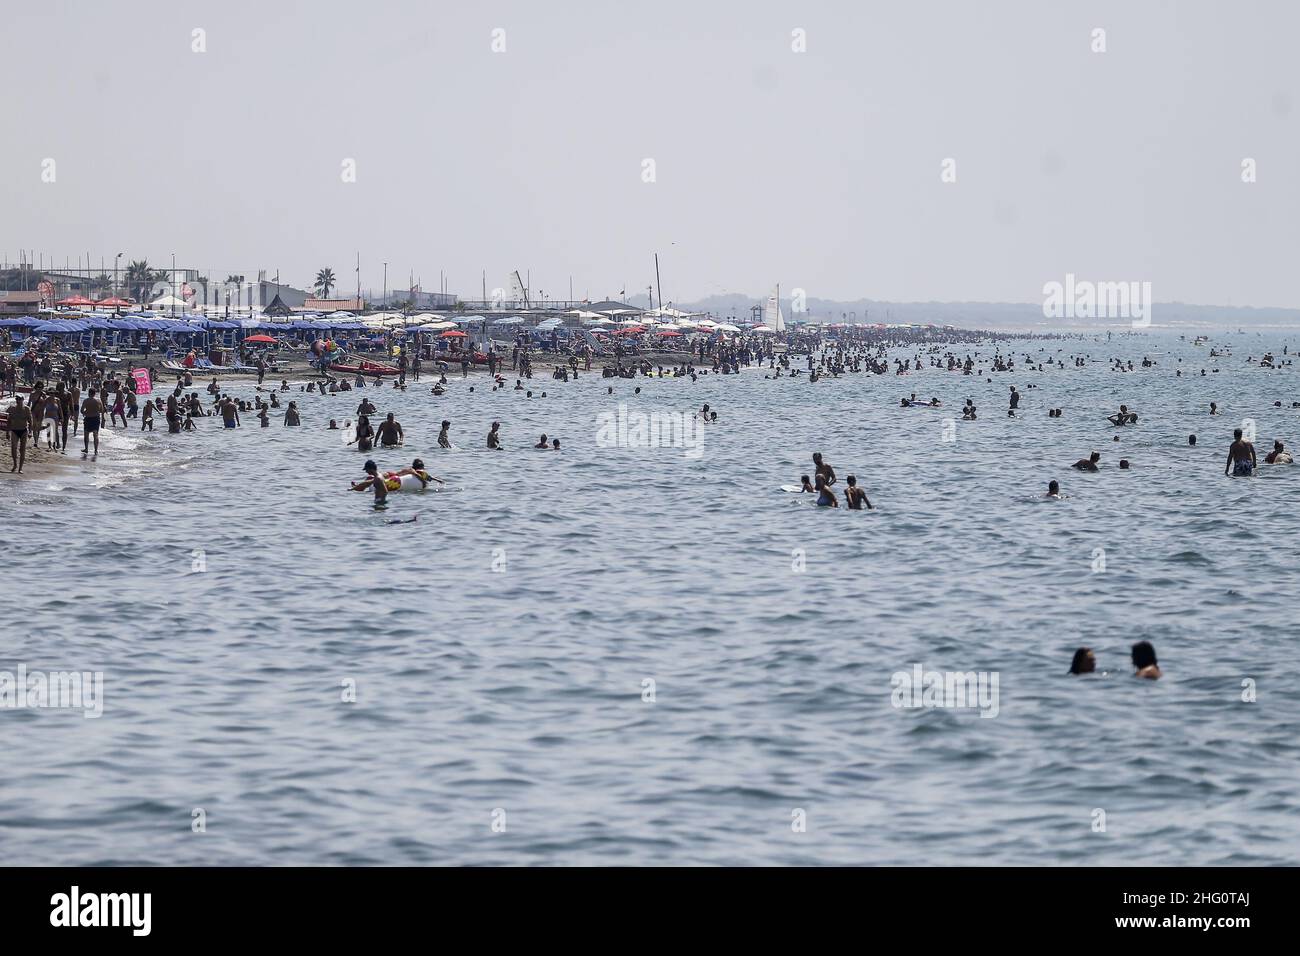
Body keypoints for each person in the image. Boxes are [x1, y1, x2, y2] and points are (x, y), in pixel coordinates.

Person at [6, 395, 31, 473]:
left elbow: (30, 421)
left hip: (23, 430)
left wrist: (30, 432)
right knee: (13, 448)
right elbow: (9, 421)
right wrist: (7, 432)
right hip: (14, 430)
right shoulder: (12, 409)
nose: (18, 400)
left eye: (19, 399)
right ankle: (15, 464)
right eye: (17, 399)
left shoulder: (27, 409)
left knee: (22, 449)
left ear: (23, 400)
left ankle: (20, 468)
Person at [81, 388, 103, 457]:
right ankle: (96, 450)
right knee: (95, 435)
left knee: (86, 434)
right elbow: (102, 410)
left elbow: (81, 410)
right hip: (96, 418)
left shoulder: (86, 400)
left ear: (89, 393)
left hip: (88, 418)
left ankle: (86, 448)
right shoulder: (99, 400)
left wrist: (85, 412)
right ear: (95, 393)